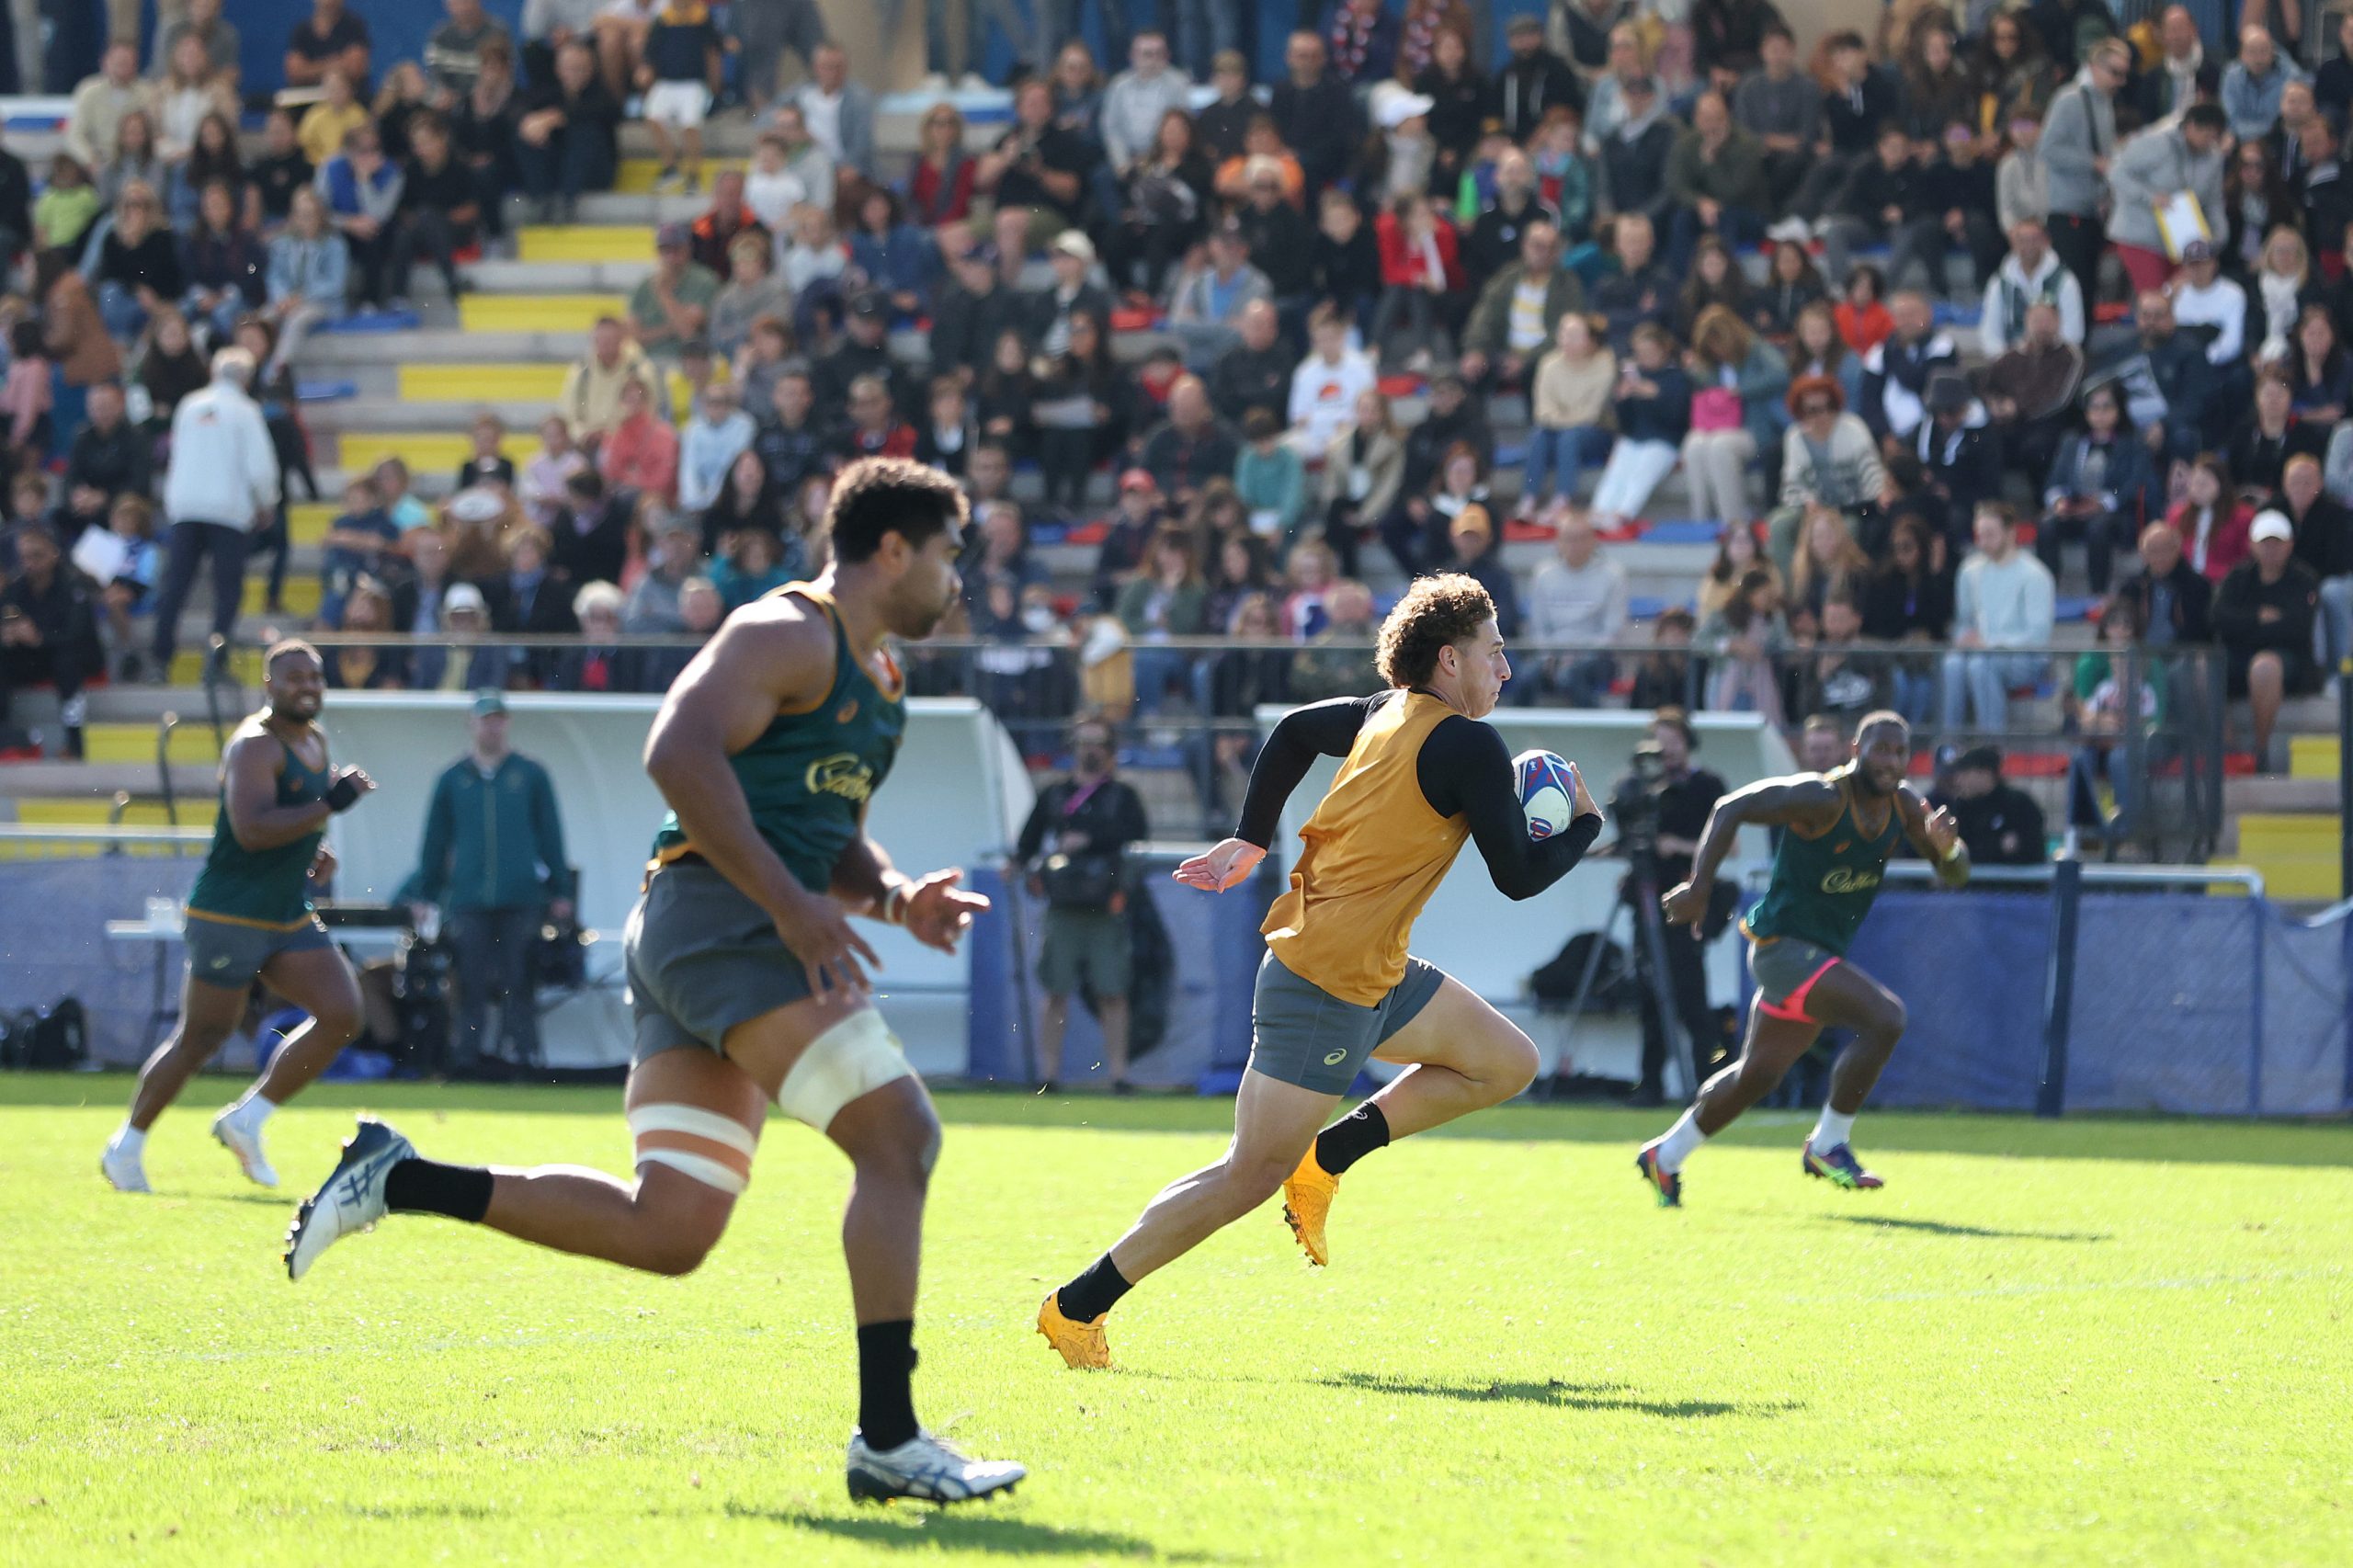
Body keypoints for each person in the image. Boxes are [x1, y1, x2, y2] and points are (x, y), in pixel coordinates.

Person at [284, 458, 1027, 1505]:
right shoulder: (789, 630)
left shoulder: (885, 680)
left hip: (697, 932)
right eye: (950, 553)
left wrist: (900, 898)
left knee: (669, 1228)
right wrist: (784, 902)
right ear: (892, 550)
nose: (960, 578)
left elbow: (825, 839)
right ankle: (890, 1435)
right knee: (900, 1140)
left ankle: (397, 1176)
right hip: (719, 927)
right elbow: (675, 750)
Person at [1038, 574, 1604, 1369]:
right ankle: (1076, 1307)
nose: (1505, 669)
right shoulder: (1469, 742)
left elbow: (1298, 729)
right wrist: (1587, 824)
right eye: (1495, 651)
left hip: (1370, 966)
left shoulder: (1386, 711)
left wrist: (1251, 836)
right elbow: (1518, 876)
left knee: (1507, 1062)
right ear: (1450, 659)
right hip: (1326, 982)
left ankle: (1328, 1156)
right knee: (1245, 1177)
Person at [1637, 711, 1968, 1207]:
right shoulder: (1823, 797)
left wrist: (1950, 848)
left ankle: (1665, 1156)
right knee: (1886, 1019)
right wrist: (1699, 887)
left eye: (1899, 752)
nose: (1890, 760)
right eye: (1879, 749)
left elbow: (1958, 875)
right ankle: (1830, 1144)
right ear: (1855, 750)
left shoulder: (1902, 805)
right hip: (1785, 952)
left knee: (1757, 1075)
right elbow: (1731, 806)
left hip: (1814, 958)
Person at [99, 642, 377, 1193]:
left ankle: (246, 1120)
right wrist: (330, 807)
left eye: (315, 678)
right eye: (294, 677)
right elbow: (251, 828)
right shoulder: (254, 744)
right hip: (229, 913)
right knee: (203, 1036)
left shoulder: (315, 740)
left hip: (283, 912)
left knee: (343, 1013)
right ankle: (125, 1145)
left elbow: (289, 821)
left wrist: (312, 851)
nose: (307, 687)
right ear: (269, 687)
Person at [403, 691, 574, 1074]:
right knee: (468, 983)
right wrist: (425, 893)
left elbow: (551, 836)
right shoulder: (452, 779)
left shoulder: (530, 774)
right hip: (468, 898)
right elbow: (435, 841)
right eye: (485, 719)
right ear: (472, 724)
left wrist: (560, 891)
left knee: (520, 981)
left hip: (521, 897)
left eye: (498, 719)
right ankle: (466, 1060)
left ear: (507, 723)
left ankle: (523, 1059)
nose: (492, 726)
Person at [1014, 716, 1151, 1093]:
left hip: (1106, 903)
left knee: (1113, 992)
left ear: (1110, 751)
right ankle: (1049, 1075)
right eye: (1083, 743)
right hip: (1063, 905)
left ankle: (1118, 1075)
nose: (1089, 751)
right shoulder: (1054, 794)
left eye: (1097, 744)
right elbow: (1028, 840)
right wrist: (1022, 866)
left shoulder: (1122, 796)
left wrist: (1088, 839)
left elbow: (1137, 833)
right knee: (1055, 990)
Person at [1612, 709, 1728, 1105]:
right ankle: (1651, 1086)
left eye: (1673, 741)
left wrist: (1677, 846)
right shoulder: (1641, 788)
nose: (1666, 750)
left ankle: (1709, 1083)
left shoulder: (1707, 785)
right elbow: (1627, 829)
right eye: (1659, 742)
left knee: (1691, 996)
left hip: (1686, 902)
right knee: (1649, 995)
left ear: (1686, 742)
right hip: (1647, 900)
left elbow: (1729, 846)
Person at [148, 348, 278, 676]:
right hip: (228, 510)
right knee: (227, 590)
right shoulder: (246, 411)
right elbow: (261, 469)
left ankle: (160, 659)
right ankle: (216, 663)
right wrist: (266, 503)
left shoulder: (189, 405)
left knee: (175, 586)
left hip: (186, 506)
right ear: (247, 377)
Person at [2215, 510, 2321, 767]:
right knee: (2200, 668)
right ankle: (2228, 750)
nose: (2270, 549)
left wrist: (2245, 627)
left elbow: (2298, 629)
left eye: (2277, 542)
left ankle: (2259, 751)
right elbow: (2218, 619)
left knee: (2265, 666)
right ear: (2252, 544)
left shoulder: (2303, 580)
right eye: (2265, 542)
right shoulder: (2237, 577)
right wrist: (2258, 619)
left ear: (2290, 545)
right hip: (2240, 657)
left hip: (2289, 662)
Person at [1939, 503, 2056, 735]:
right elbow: (1964, 621)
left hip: (2025, 657)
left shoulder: (2035, 575)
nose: (1982, 542)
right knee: (1952, 663)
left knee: (1981, 664)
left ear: (2011, 533)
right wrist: (1965, 638)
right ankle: (1948, 744)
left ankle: (1991, 746)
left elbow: (2038, 636)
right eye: (1979, 535)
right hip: (1983, 650)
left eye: (1990, 534)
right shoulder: (1969, 571)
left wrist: (1991, 644)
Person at [2040, 382, 2155, 595]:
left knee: (2098, 527)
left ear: (2120, 409)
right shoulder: (2072, 441)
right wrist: (2059, 501)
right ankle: (2047, 592)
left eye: (2106, 407)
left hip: (2115, 514)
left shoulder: (2133, 443)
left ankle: (2098, 593)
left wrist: (2102, 503)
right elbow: (2054, 481)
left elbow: (2135, 484)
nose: (2099, 414)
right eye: (2094, 408)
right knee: (2047, 525)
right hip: (2075, 508)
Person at [0, 523, 102, 755]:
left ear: (54, 553)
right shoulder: (16, 587)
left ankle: (75, 741)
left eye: (37, 556)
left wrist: (39, 637)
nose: (30, 564)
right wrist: (8, 635)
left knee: (66, 661)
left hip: (73, 658)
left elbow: (78, 634)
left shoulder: (73, 585)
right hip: (33, 658)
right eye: (24, 557)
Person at [2040, 39, 2128, 307]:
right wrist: (2093, 162)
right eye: (2115, 73)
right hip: (2069, 211)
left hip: (2092, 209)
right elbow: (2049, 148)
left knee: (2088, 288)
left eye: (2124, 74)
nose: (2120, 81)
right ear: (2094, 67)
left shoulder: (2103, 102)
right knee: (2073, 289)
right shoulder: (2069, 99)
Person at [1933, 743, 2048, 865]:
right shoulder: (1960, 808)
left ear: (1985, 774)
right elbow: (1958, 851)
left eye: (1965, 773)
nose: (1958, 780)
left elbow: (2033, 849)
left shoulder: (2020, 805)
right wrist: (1998, 847)